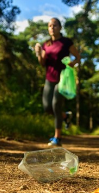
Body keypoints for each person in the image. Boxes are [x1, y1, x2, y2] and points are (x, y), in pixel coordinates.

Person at [35, 18, 81, 146]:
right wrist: (39, 54)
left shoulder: (66, 42)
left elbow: (78, 57)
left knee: (56, 105)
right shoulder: (46, 44)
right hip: (49, 78)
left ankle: (57, 138)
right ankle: (65, 116)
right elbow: (43, 63)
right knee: (47, 107)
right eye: (50, 26)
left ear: (60, 27)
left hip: (62, 79)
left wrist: (72, 64)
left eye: (54, 25)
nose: (52, 28)